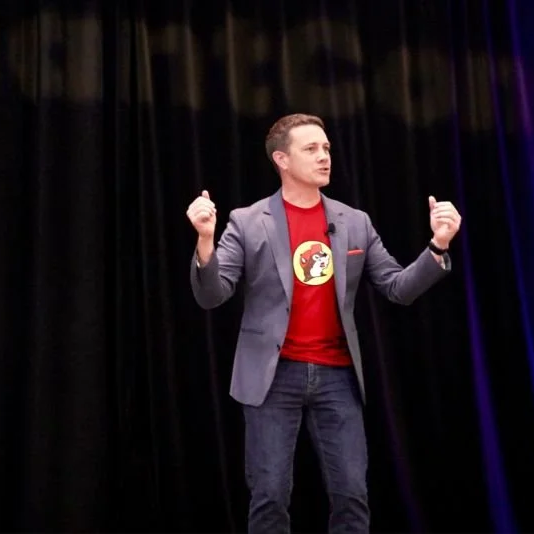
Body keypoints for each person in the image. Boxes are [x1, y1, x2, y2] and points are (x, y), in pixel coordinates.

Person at [186, 113, 462, 533]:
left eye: (327, 148)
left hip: (337, 375)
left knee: (352, 492)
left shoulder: (354, 222)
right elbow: (212, 294)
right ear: (282, 159)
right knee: (270, 495)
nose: (324, 157)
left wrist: (437, 245)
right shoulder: (247, 221)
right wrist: (205, 241)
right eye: (311, 149)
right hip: (271, 377)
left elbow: (396, 287)